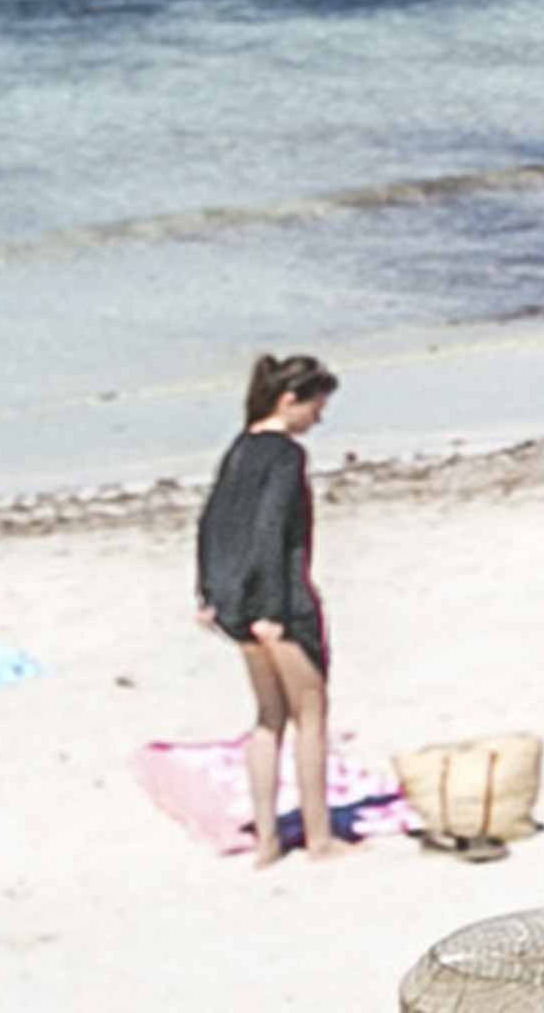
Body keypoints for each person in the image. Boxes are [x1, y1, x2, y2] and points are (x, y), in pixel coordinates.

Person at [197, 351, 338, 864]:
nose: (318, 419)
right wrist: (275, 612)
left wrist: (209, 596)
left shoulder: (239, 448)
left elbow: (212, 524)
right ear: (289, 400)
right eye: (316, 408)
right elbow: (271, 533)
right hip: (280, 605)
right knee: (311, 715)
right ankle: (320, 840)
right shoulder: (284, 455)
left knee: (267, 718)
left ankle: (268, 842)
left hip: (234, 606)